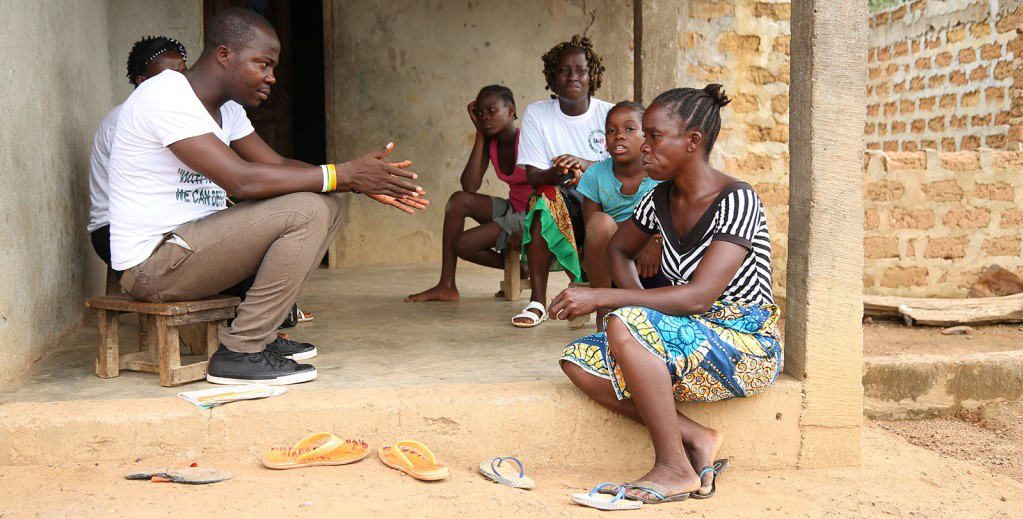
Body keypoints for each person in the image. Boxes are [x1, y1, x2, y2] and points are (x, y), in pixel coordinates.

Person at [107, 8, 427, 385]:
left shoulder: (226, 109)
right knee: (308, 209)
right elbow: (241, 180)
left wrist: (352, 180)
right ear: (225, 55)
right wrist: (341, 174)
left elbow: (275, 165)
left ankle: (261, 335)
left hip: (193, 247)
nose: (272, 77)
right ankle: (241, 351)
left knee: (326, 205)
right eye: (263, 64)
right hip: (153, 266)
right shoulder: (164, 94)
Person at [552, 85, 782, 503]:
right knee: (580, 361)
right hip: (686, 335)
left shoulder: (737, 199)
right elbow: (619, 250)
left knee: (625, 321)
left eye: (655, 136)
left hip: (745, 346)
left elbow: (698, 298)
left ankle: (674, 467)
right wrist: (636, 302)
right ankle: (697, 436)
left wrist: (607, 298)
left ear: (692, 142)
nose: (643, 147)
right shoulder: (659, 198)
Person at [512, 35, 613, 328]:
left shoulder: (609, 113)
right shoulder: (537, 114)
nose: (573, 77)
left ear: (591, 75)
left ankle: (594, 292)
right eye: (564, 71)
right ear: (552, 78)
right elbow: (533, 176)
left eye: (580, 70)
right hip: (564, 203)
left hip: (604, 204)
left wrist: (586, 166)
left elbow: (627, 166)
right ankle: (537, 302)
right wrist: (558, 172)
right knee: (543, 199)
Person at [406, 85, 530, 302]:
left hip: (534, 213)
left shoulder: (528, 139)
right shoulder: (490, 142)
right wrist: (480, 135)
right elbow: (469, 186)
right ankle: (446, 285)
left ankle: (522, 269)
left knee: (464, 244)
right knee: (458, 201)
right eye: (480, 114)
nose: (485, 117)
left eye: (492, 111)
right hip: (513, 207)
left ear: (511, 111)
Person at [89, 36, 188, 266]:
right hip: (116, 231)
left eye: (183, 73)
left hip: (157, 224)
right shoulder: (123, 120)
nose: (180, 82)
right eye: (168, 77)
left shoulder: (176, 117)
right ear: (142, 82)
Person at [576, 101, 668, 330]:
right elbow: (593, 230)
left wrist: (655, 239)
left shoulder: (661, 173)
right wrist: (639, 239)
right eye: (611, 130)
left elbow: (674, 220)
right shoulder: (595, 175)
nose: (619, 136)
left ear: (646, 136)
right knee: (600, 222)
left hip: (655, 258)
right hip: (611, 256)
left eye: (629, 129)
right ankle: (604, 308)